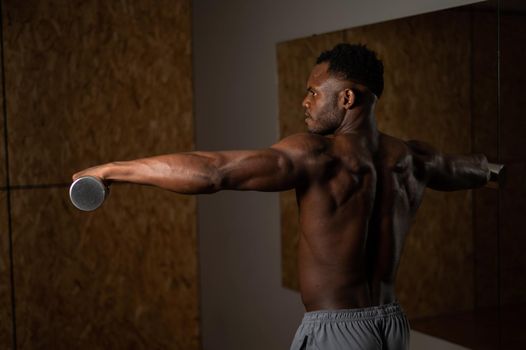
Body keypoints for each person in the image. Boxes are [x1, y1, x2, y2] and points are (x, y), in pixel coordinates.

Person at [73, 43, 503, 350]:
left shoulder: (319, 156)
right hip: (392, 325)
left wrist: (112, 170)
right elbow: (476, 169)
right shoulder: (413, 158)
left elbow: (214, 171)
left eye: (315, 92)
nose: (306, 101)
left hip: (339, 333)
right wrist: (493, 172)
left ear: (348, 98)